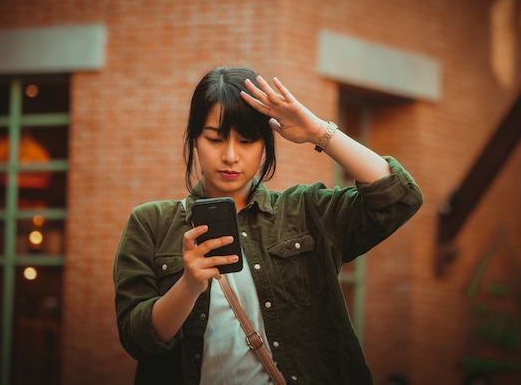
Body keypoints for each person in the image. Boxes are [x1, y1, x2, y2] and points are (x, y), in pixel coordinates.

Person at [114, 66, 423, 384]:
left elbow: (399, 197)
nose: (230, 156)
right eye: (215, 139)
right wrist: (189, 285)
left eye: (247, 141)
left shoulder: (304, 212)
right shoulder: (151, 224)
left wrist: (318, 132)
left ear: (265, 145)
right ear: (194, 139)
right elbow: (137, 339)